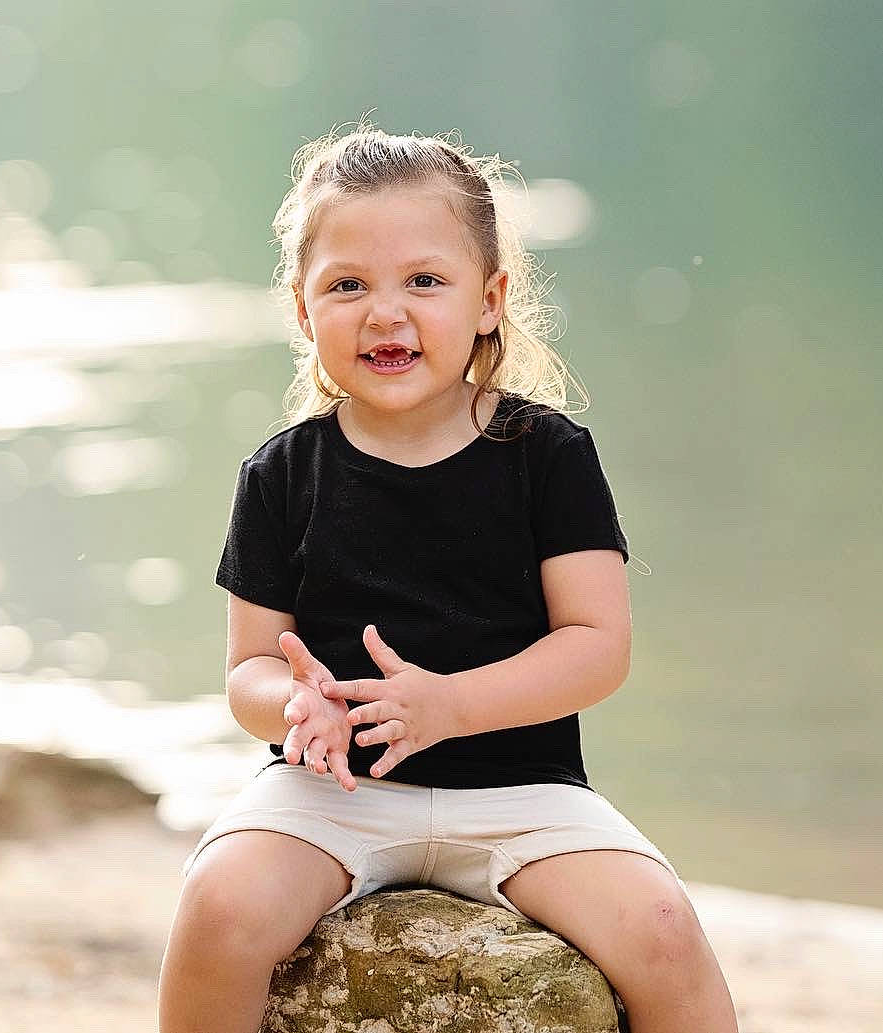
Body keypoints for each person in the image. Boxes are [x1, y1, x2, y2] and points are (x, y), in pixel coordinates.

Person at [158, 123, 738, 1033]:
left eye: (424, 281)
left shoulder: (546, 455)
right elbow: (249, 670)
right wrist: (295, 706)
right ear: (304, 312)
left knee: (663, 929)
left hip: (522, 791)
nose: (385, 313)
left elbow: (598, 646)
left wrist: (452, 705)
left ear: (489, 300)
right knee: (218, 908)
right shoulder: (280, 474)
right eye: (348, 285)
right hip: (334, 793)